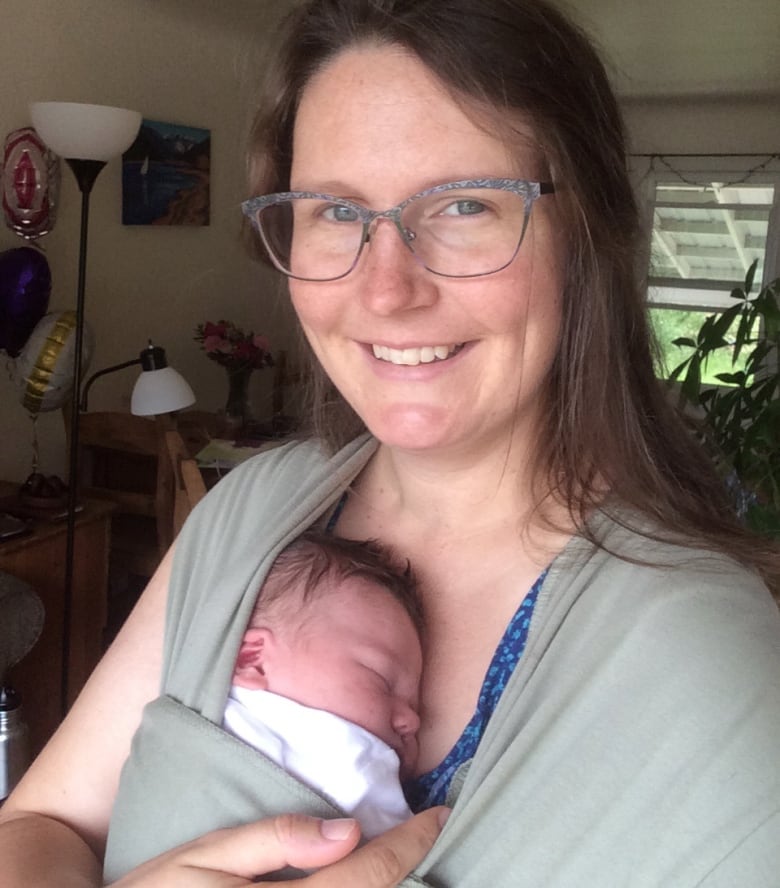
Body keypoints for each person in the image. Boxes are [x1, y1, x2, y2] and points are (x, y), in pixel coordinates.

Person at [2, 0, 779, 885]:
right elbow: (40, 821)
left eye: (462, 203)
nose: (386, 291)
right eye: (335, 211)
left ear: (589, 233)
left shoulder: (703, 663)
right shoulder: (252, 510)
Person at [222, 531, 423, 842]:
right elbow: (410, 854)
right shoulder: (347, 755)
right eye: (381, 680)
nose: (413, 720)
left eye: (414, 704)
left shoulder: (208, 706)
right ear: (252, 659)